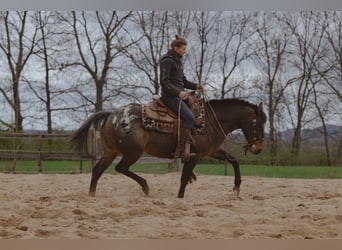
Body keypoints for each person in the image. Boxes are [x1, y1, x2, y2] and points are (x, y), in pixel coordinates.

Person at [159, 34, 203, 160]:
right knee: (189, 117)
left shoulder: (177, 62)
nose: (184, 51)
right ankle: (181, 149)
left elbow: (183, 81)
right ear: (176, 48)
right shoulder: (167, 61)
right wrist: (178, 92)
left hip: (178, 96)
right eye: (183, 49)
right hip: (169, 97)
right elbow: (164, 81)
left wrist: (196, 86)